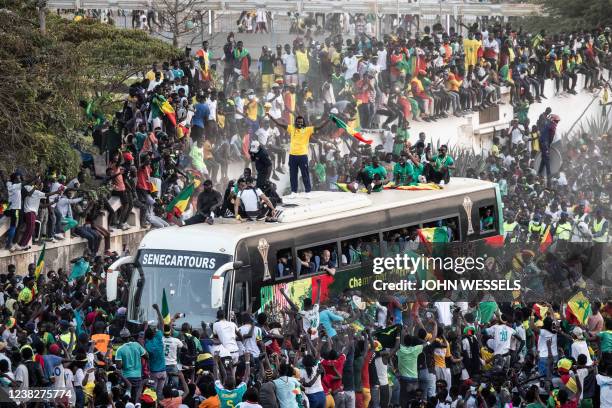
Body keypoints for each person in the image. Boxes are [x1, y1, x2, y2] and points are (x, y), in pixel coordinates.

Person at [266, 113, 329, 197]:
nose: (299, 123)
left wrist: (328, 120)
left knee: (305, 174)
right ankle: (294, 192)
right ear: (296, 122)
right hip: (292, 156)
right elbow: (280, 124)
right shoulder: (292, 128)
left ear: (303, 123)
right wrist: (271, 117)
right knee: (293, 175)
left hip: (303, 156)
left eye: (301, 122)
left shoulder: (307, 130)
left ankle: (308, 192)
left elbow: (319, 127)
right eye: (298, 122)